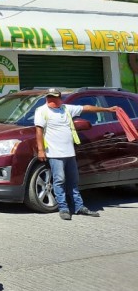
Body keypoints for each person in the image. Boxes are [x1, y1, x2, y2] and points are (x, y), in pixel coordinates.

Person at [34, 87, 117, 220]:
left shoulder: (66, 109)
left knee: (73, 181)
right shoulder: (42, 111)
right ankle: (63, 208)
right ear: (46, 98)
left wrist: (107, 110)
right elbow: (38, 131)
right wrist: (40, 150)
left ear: (59, 99)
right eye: (49, 97)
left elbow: (87, 108)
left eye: (54, 98)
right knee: (59, 180)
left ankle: (79, 207)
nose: (51, 100)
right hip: (55, 153)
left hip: (69, 153)